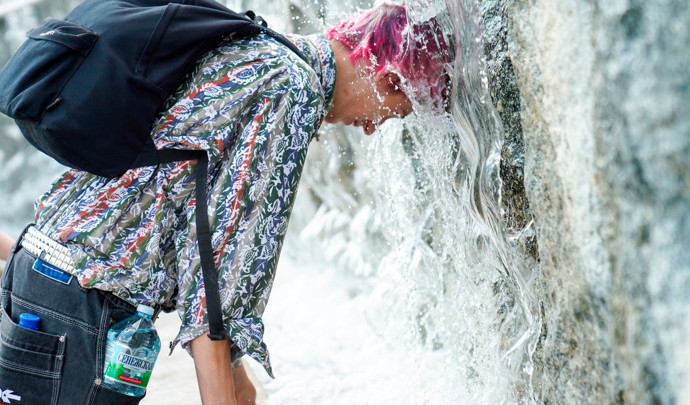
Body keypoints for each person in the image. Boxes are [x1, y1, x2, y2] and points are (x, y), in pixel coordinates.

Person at [0, 3, 449, 404]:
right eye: (394, 110)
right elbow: (218, 279)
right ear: (390, 77)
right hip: (82, 317)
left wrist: (235, 375)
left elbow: (190, 210)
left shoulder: (256, 47)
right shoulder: (293, 91)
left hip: (35, 276)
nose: (371, 128)